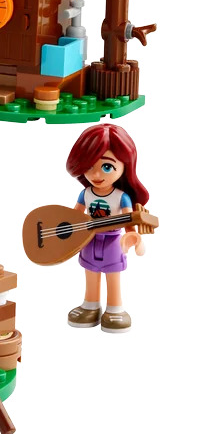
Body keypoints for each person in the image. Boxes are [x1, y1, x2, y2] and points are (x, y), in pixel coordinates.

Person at [64, 123, 150, 330]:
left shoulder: (122, 197)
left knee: (113, 276)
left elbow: (128, 220)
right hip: (89, 239)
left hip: (113, 241)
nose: (96, 174)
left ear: (124, 166)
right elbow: (75, 216)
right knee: (90, 273)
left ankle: (115, 308)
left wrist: (132, 237)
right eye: (89, 166)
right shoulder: (85, 194)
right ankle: (90, 305)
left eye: (106, 166)